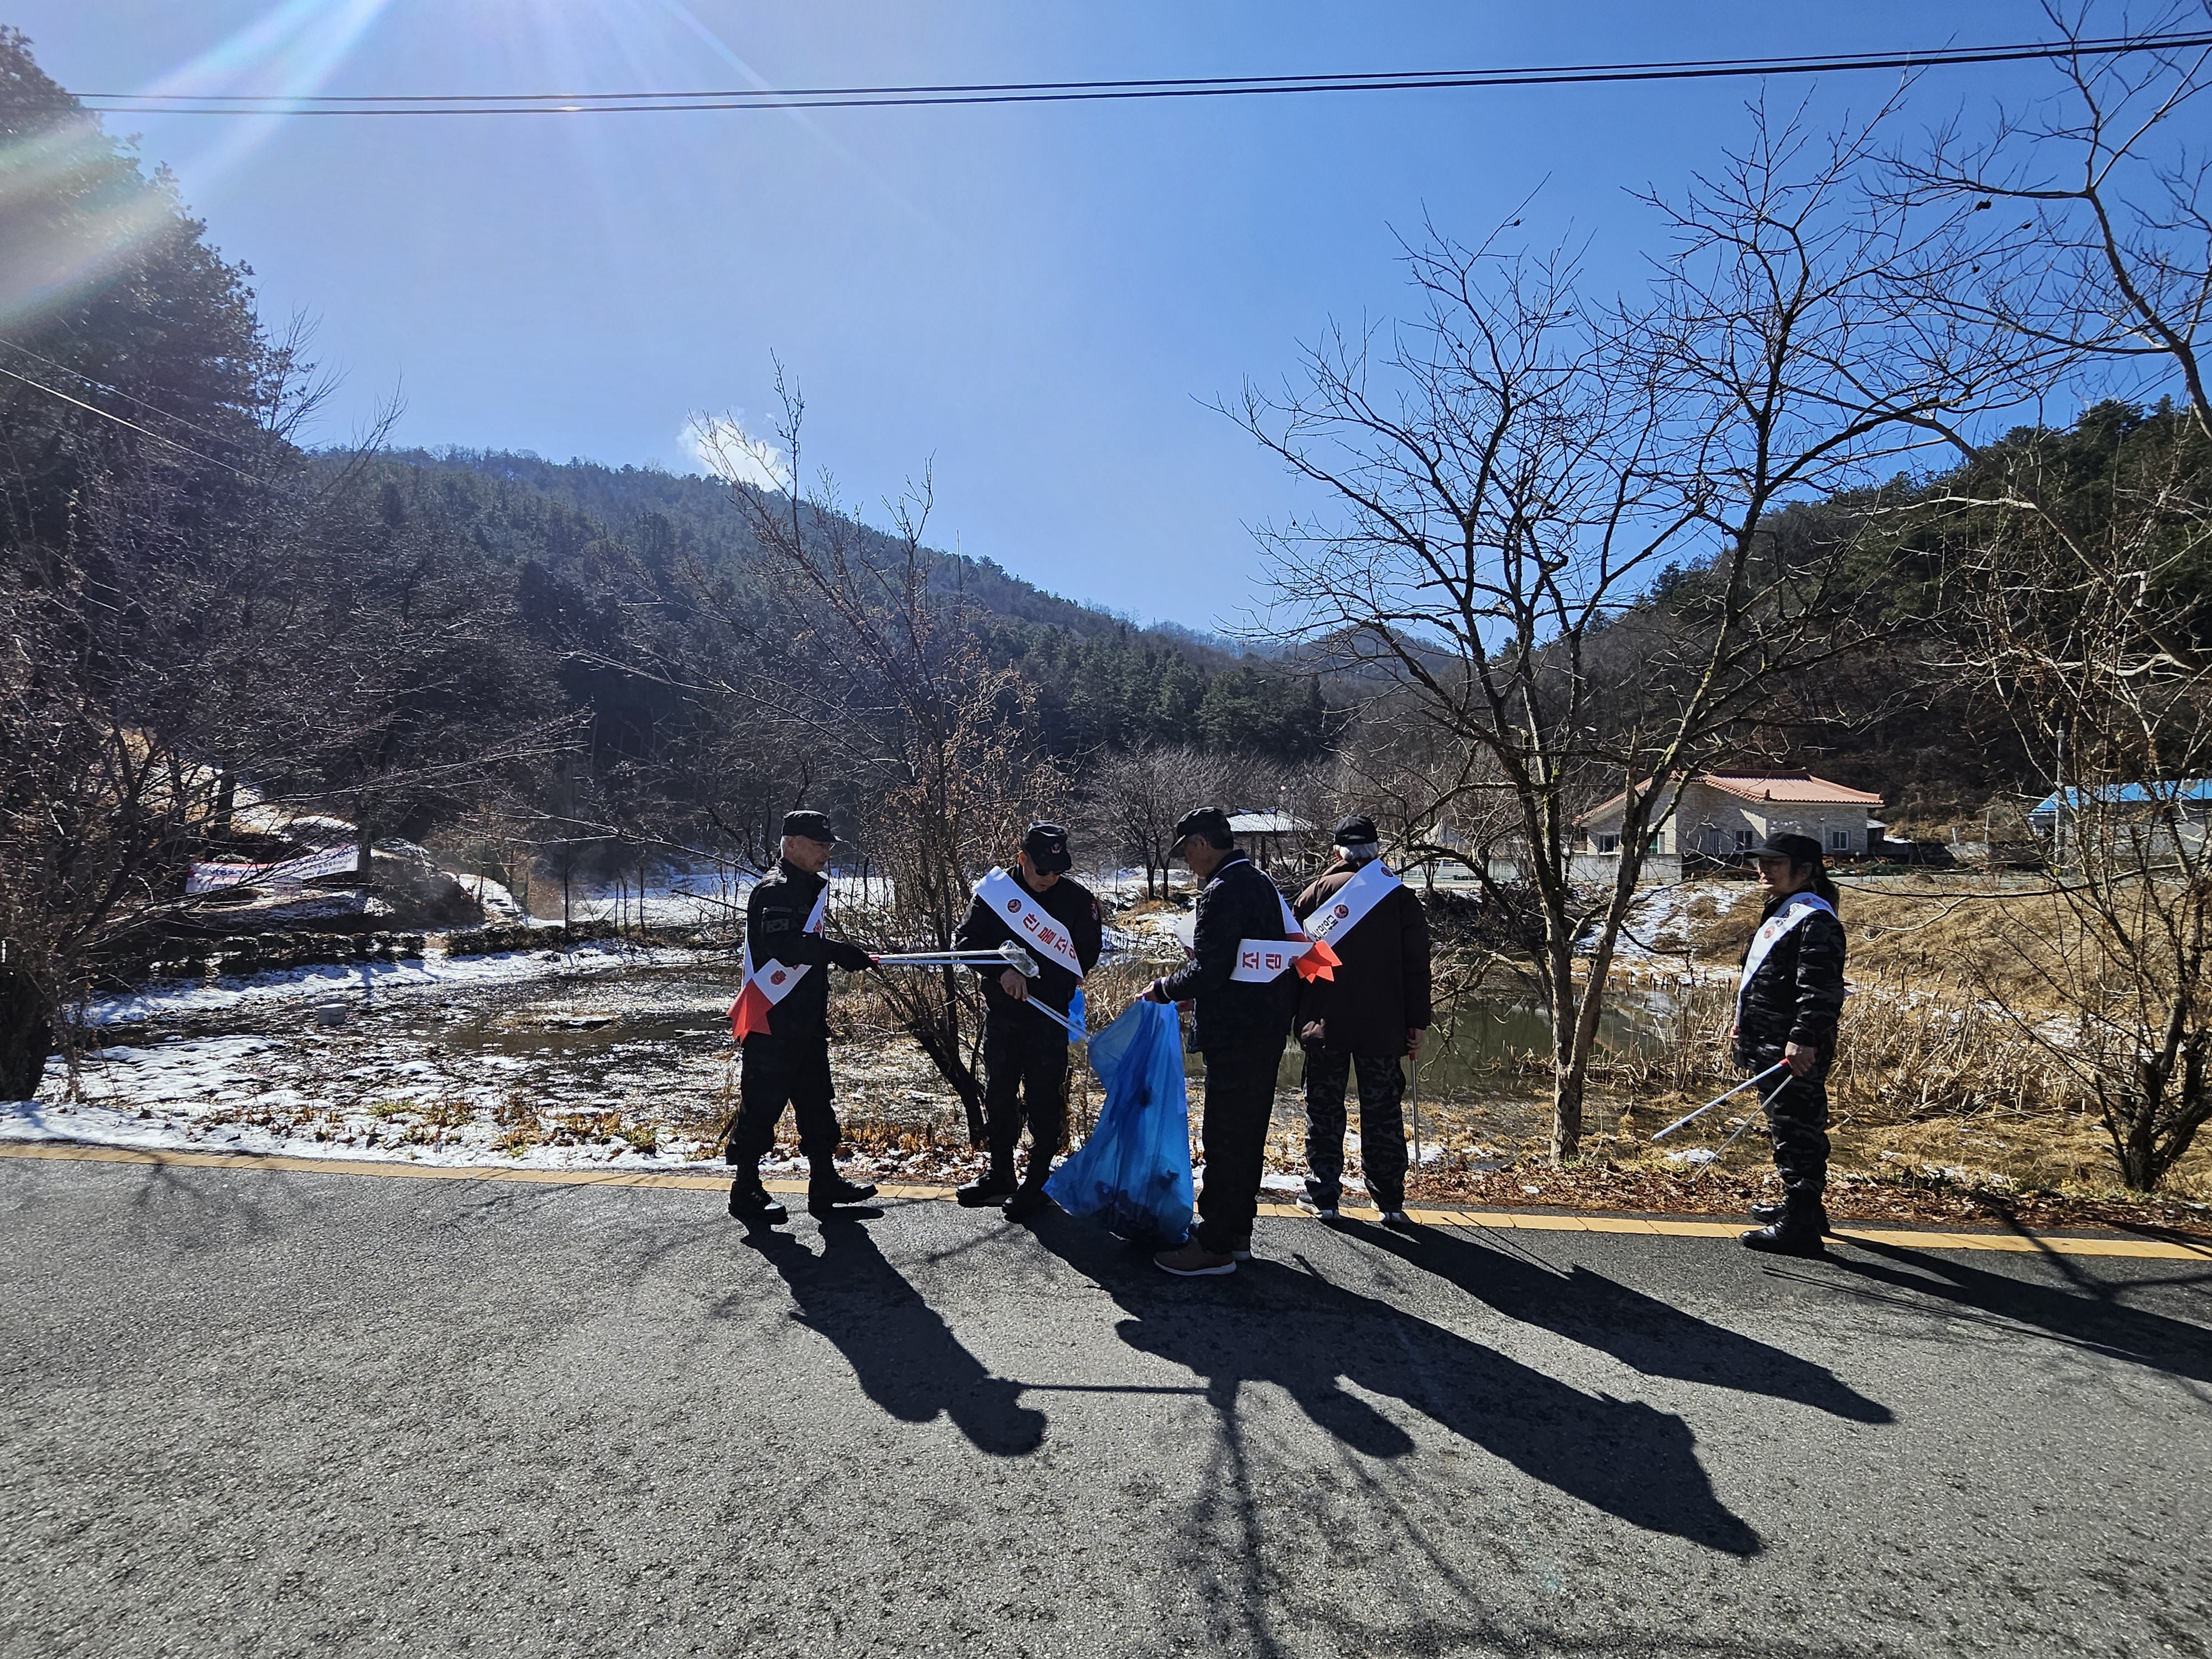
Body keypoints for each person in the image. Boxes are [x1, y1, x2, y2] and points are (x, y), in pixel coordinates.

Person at [1144, 807, 1299, 1277]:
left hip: (1235, 1034)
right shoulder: (1261, 883)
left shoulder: (1221, 891)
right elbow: (1247, 964)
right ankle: (1236, 1233)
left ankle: (1214, 1246)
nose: (1187, 863)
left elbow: (1211, 968)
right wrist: (1196, 993)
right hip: (1264, 1028)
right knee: (1247, 1136)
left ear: (1202, 844)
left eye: (1186, 852)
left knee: (1225, 1138)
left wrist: (1164, 989)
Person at [725, 810, 881, 1225]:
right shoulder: (774, 890)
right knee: (762, 1107)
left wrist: (836, 954)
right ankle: (746, 1189)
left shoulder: (809, 887)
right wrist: (838, 952)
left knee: (817, 1104)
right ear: (791, 844)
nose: (825, 853)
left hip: (806, 1020)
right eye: (817, 845)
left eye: (828, 845)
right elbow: (785, 947)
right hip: (772, 1019)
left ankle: (824, 1182)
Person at [950, 822, 1104, 1220]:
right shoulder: (995, 894)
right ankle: (1000, 1172)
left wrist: (1037, 977)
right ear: (1022, 859)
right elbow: (966, 942)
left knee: (1044, 1098)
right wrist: (1003, 970)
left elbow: (1085, 956)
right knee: (999, 1094)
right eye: (1041, 870)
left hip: (1048, 1016)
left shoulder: (1077, 900)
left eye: (1057, 871)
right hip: (1003, 1015)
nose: (1049, 878)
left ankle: (1037, 1180)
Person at [1290, 815, 1431, 1227]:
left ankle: (1324, 1195)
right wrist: (1417, 1022)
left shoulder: (1316, 894)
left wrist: (1291, 1016)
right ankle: (1389, 1201)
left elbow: (1293, 961)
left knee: (1324, 1108)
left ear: (1337, 853)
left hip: (1325, 1023)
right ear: (1376, 851)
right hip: (1383, 1025)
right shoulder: (1399, 896)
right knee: (1383, 1110)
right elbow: (1416, 967)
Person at [1733, 831, 1848, 1256]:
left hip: (1791, 1046)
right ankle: (1804, 1207)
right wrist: (1745, 1022)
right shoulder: (1786, 908)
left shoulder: (1815, 919)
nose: (1762, 869)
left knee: (1796, 1129)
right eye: (1760, 862)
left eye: (1774, 863)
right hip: (1770, 1039)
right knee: (1791, 1126)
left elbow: (1820, 990)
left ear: (1805, 870)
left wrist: (1803, 1039)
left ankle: (1800, 1225)